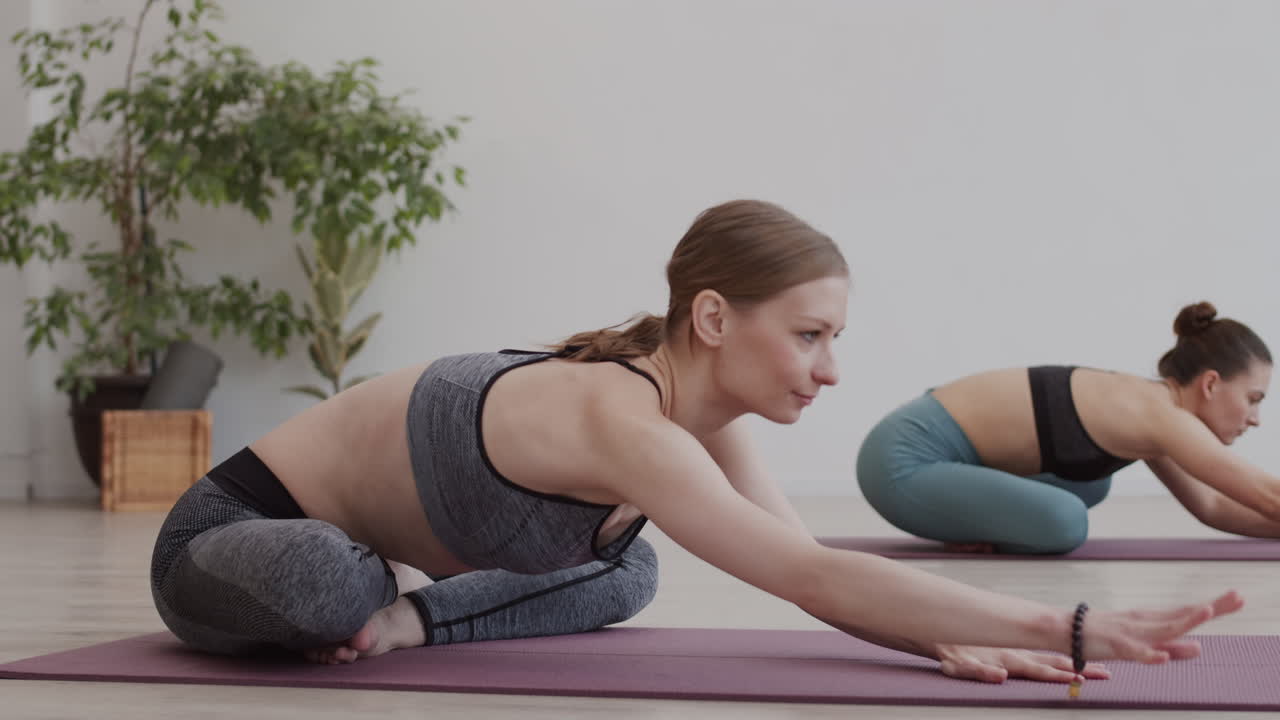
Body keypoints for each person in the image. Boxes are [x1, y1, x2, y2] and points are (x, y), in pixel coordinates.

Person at [151, 200, 1240, 685]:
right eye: (807, 336)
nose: (828, 369)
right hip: (237, 534)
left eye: (834, 339)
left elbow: (813, 576)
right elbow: (811, 573)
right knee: (323, 582)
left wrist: (941, 635)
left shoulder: (699, 424)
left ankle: (398, 618)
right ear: (714, 319)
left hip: (388, 564)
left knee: (624, 571)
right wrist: (1070, 624)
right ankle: (371, 600)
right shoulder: (620, 418)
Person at [857, 301, 1275, 555]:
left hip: (930, 454)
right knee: (1065, 521)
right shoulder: (1163, 417)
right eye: (1253, 399)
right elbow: (1266, 494)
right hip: (902, 461)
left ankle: (978, 519)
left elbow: (1214, 508)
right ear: (1211, 384)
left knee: (1091, 485)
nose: (1254, 418)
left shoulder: (1158, 414)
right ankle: (976, 521)